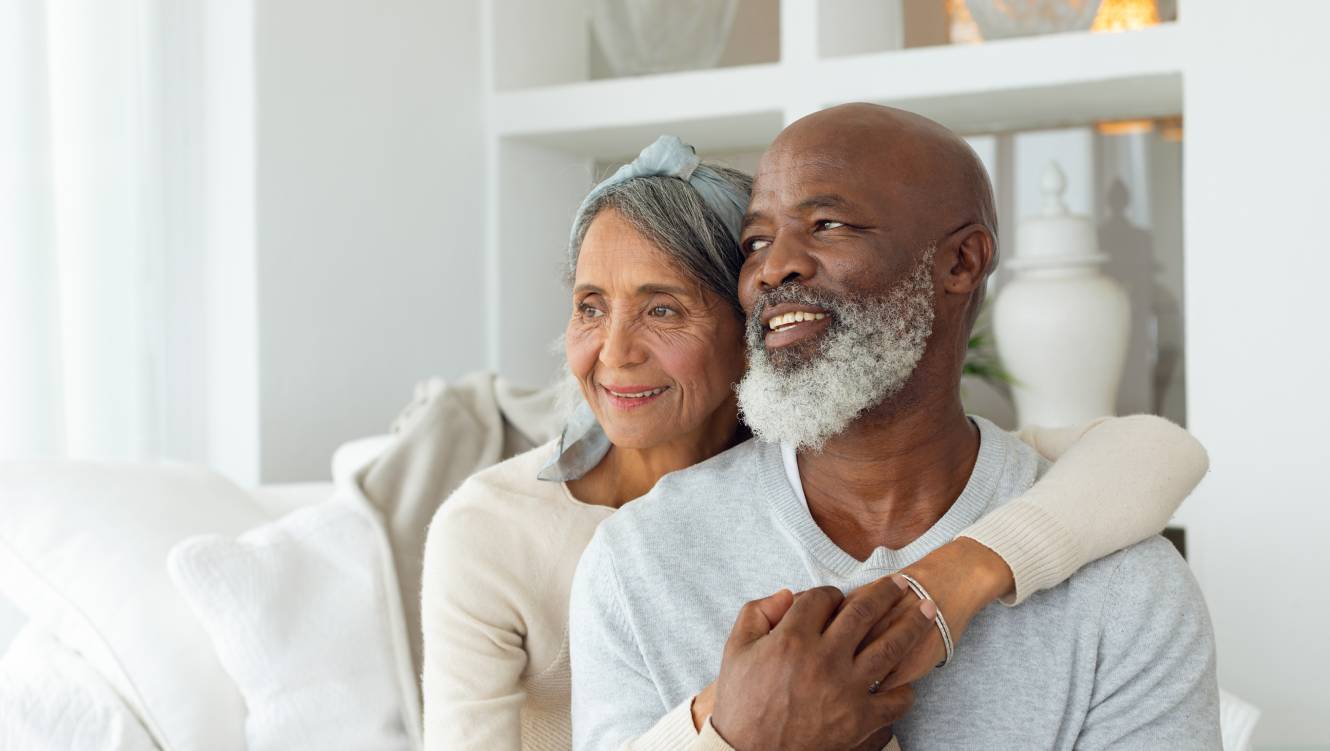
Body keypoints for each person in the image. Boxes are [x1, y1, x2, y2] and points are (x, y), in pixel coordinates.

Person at [423, 133, 1210, 750]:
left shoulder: (1104, 562)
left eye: (664, 310)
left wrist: (954, 579)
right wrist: (736, 721)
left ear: (750, 330)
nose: (615, 350)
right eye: (590, 305)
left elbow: (1152, 452)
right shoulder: (577, 547)